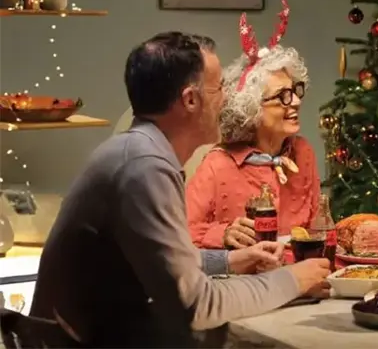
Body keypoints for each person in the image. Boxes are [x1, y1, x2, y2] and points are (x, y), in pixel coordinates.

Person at [30, 31, 331, 347]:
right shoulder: (144, 166)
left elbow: (159, 261)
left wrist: (230, 261)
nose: (228, 99)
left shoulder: (136, 151)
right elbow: (197, 305)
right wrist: (291, 280)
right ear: (190, 99)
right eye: (219, 89)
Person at [186, 0, 321, 249]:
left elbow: (315, 229)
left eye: (295, 90)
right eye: (282, 96)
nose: (295, 102)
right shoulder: (218, 165)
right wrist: (223, 234)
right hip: (242, 282)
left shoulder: (303, 153)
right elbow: (182, 232)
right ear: (252, 109)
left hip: (299, 277)